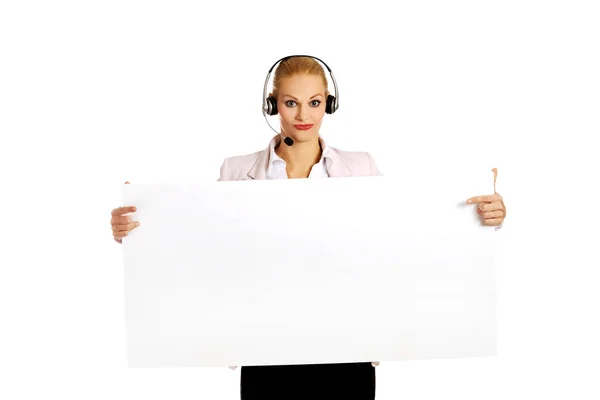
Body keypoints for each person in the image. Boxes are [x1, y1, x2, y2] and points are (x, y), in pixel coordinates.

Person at [110, 55, 507, 400]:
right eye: (291, 103)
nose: (304, 116)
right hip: (266, 349)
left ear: (328, 105)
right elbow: (202, 242)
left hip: (347, 349)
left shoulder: (361, 167)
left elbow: (407, 231)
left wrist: (481, 217)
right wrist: (137, 231)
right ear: (273, 105)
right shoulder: (236, 171)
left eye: (315, 103)